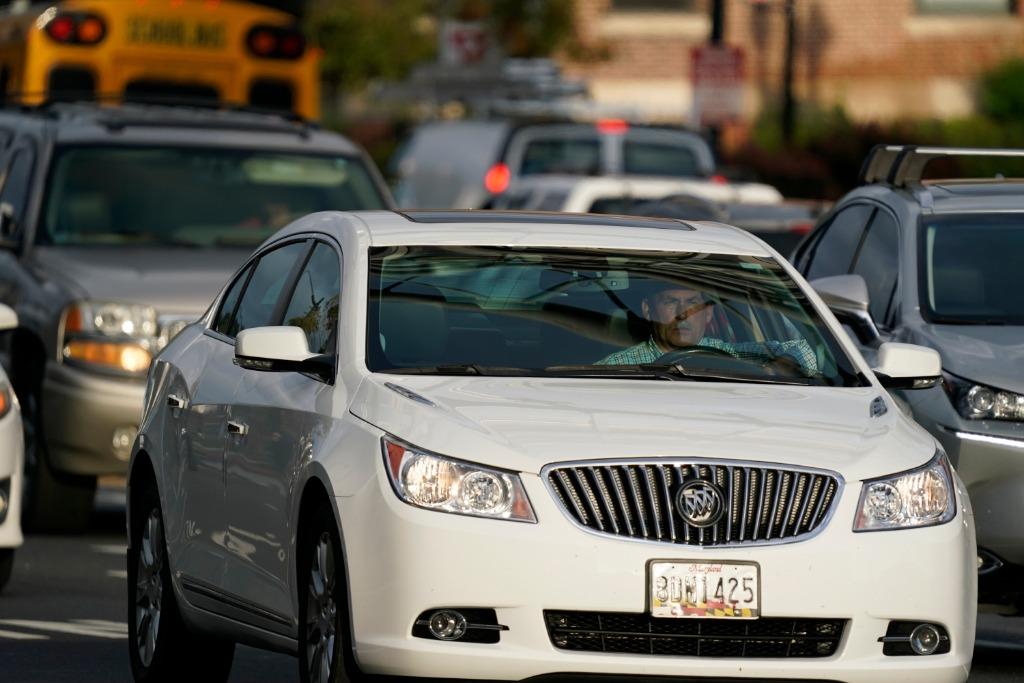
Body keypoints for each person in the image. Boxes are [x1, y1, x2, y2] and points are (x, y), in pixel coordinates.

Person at [598, 280, 818, 375]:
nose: (683, 313)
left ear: (709, 313)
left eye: (693, 303)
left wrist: (779, 367)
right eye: (671, 302)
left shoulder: (730, 354)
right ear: (648, 310)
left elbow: (803, 349)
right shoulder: (615, 367)